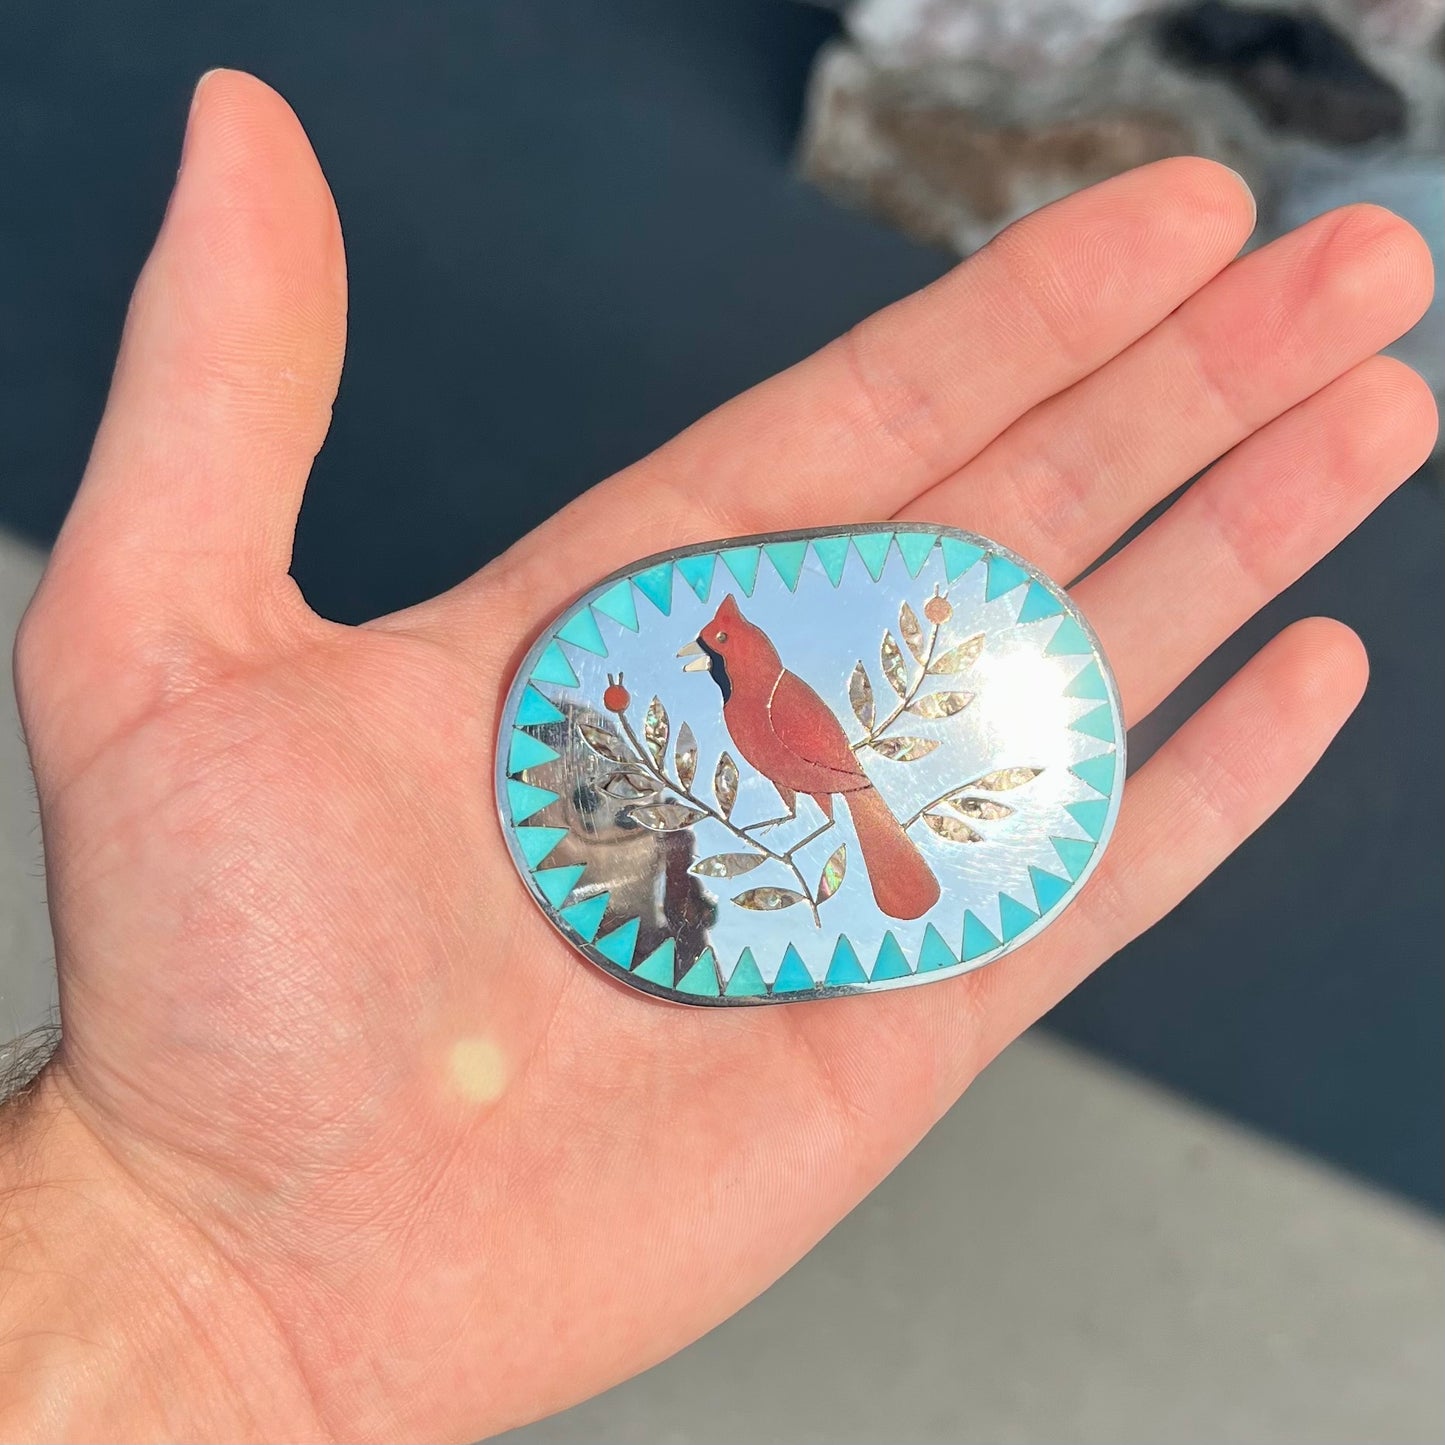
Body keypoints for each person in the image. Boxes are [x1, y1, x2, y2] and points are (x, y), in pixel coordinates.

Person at [0, 70, 1434, 1443]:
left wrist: (170, 1285)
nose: (718, 665)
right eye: (721, 658)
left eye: (724, 657)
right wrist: (169, 1247)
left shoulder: (787, 696)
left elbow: (802, 757)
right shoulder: (735, 689)